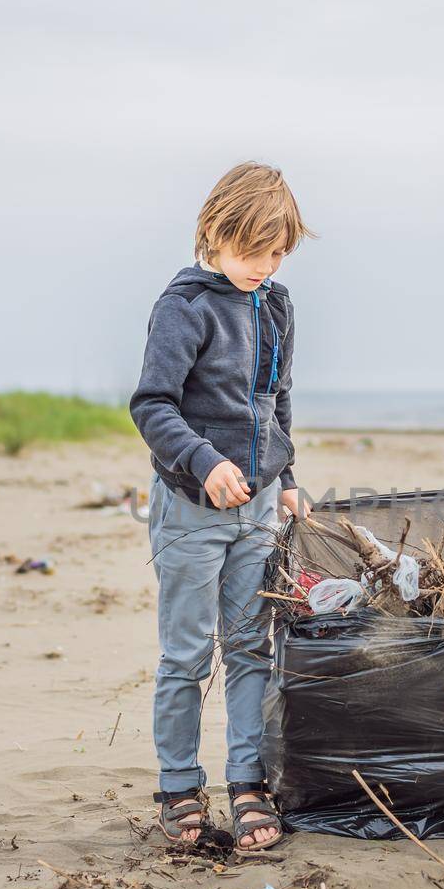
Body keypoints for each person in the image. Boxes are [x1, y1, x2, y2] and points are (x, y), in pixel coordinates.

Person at [128, 161, 313, 852]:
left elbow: (277, 399)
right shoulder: (185, 306)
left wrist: (286, 474)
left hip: (258, 509)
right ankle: (179, 783)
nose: (264, 266)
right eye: (251, 251)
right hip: (190, 511)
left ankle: (247, 780)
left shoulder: (278, 304)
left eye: (277, 252)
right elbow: (152, 404)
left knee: (250, 648)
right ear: (213, 231)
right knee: (186, 655)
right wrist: (205, 464)